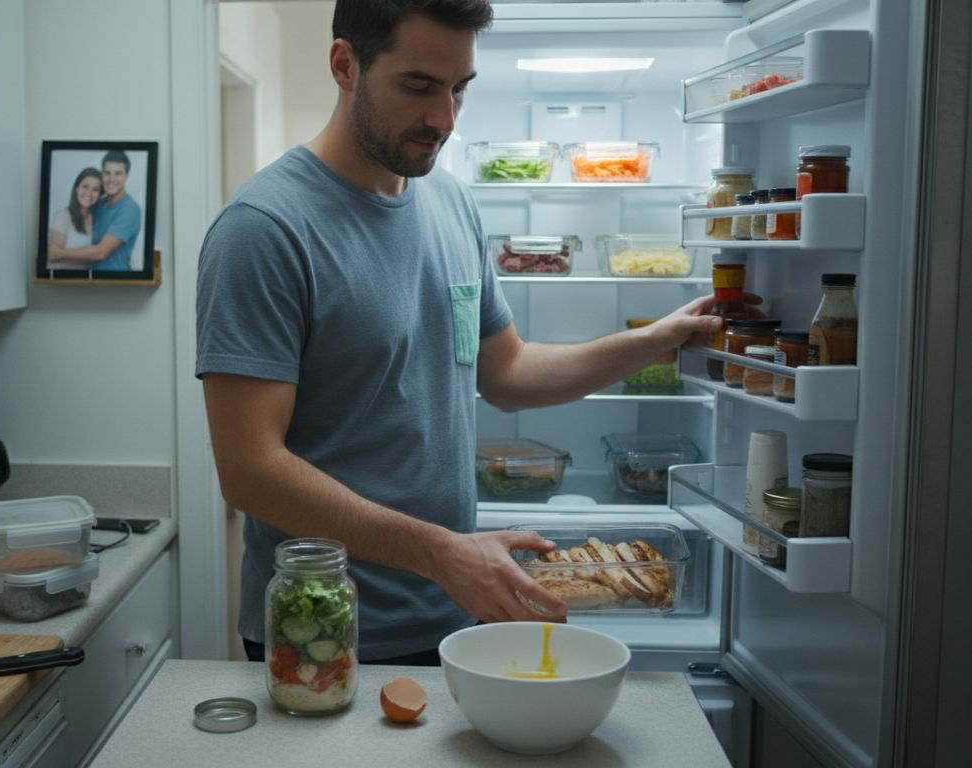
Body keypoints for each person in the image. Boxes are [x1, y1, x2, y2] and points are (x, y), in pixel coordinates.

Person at [195, 0, 724, 666]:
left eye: (459, 89)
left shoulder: (449, 203)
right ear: (344, 65)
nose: (443, 119)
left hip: (453, 613)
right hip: (325, 631)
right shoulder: (264, 229)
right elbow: (250, 472)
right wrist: (442, 553)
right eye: (418, 87)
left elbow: (507, 372)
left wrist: (654, 342)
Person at [48, 150, 143, 271]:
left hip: (118, 281)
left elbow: (101, 252)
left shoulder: (130, 209)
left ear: (126, 176)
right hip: (91, 281)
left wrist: (59, 253)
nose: (111, 179)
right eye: (107, 173)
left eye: (118, 173)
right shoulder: (98, 204)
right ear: (102, 174)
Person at [45, 167, 103, 270]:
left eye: (95, 189)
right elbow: (53, 255)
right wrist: (93, 254)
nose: (89, 193)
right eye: (85, 186)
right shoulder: (63, 216)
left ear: (100, 194)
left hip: (86, 281)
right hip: (61, 280)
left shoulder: (97, 219)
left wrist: (95, 254)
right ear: (77, 188)